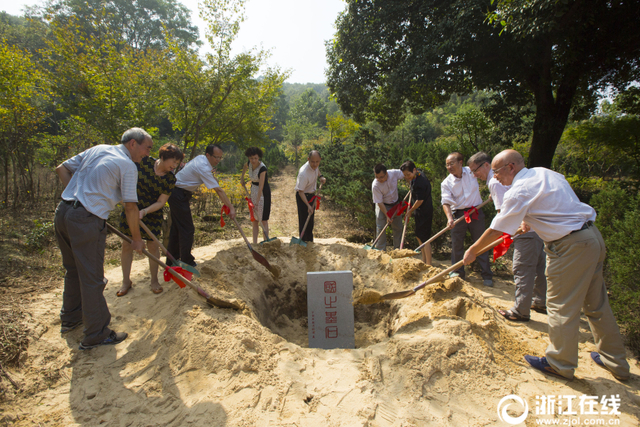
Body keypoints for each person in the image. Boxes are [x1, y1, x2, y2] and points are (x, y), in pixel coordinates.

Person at [463, 149, 630, 382]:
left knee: (561, 306)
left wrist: (472, 250)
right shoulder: (545, 173)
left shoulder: (519, 190)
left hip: (569, 246)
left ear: (511, 167)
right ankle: (616, 362)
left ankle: (560, 363)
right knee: (597, 303)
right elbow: (555, 204)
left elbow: (498, 229)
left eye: (498, 172)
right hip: (591, 237)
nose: (495, 177)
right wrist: (532, 219)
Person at [54, 127, 152, 350]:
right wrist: (136, 239)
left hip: (63, 212)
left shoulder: (99, 149)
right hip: (85, 220)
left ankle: (70, 319)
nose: (147, 154)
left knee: (73, 270)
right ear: (133, 144)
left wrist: (80, 198)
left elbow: (62, 169)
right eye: (147, 148)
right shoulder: (127, 165)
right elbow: (130, 207)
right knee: (92, 278)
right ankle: (96, 333)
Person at [468, 152, 547, 321]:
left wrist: (474, 249)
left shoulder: (494, 183)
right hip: (538, 228)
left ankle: (520, 311)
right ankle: (540, 300)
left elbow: (502, 216)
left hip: (523, 229)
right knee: (539, 266)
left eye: (476, 170)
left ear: (486, 165)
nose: (475, 175)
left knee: (522, 269)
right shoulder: (534, 175)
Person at [117, 143, 184, 296]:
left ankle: (154, 280)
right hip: (131, 208)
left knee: (153, 246)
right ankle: (126, 281)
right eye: (173, 161)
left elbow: (161, 202)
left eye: (177, 163)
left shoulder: (170, 179)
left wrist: (145, 211)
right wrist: (131, 207)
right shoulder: (144, 162)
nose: (174, 165)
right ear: (163, 157)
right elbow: (124, 179)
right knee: (127, 244)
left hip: (152, 213)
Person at [167, 144, 236, 267]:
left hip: (177, 192)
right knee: (187, 229)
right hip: (178, 194)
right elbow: (219, 190)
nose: (218, 160)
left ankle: (172, 260)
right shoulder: (203, 166)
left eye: (220, 157)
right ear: (208, 155)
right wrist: (230, 207)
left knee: (177, 228)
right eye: (216, 157)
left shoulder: (201, 159)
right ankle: (186, 261)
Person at [441, 152, 493, 286]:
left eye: (451, 163)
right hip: (459, 214)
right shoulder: (446, 183)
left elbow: (488, 177)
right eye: (447, 165)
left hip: (476, 211)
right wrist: (449, 218)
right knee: (457, 245)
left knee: (481, 242)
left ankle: (486, 275)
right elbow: (445, 202)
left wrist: (494, 192)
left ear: (460, 162)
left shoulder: (472, 172)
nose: (449, 167)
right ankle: (458, 273)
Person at [400, 161, 433, 264]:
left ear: (414, 170)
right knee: (419, 235)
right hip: (419, 212)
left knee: (425, 238)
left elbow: (420, 200)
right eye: (404, 175)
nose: (407, 177)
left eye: (408, 174)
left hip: (425, 212)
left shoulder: (420, 182)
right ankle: (424, 260)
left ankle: (428, 263)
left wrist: (410, 210)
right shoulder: (416, 176)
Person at [241, 147, 272, 244]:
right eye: (251, 158)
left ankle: (266, 242)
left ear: (258, 157)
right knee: (254, 219)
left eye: (255, 158)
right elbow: (245, 166)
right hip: (253, 191)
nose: (253, 160)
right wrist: (242, 178)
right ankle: (254, 243)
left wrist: (257, 203)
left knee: (263, 219)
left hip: (263, 194)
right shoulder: (249, 163)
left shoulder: (263, 168)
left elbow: (261, 187)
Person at [294, 150, 326, 242]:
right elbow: (300, 192)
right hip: (303, 196)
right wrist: (308, 205)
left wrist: (321, 176)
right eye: (312, 162)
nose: (315, 164)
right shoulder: (303, 173)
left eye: (317, 162)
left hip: (312, 195)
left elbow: (317, 170)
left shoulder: (315, 165)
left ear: (320, 160)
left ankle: (310, 241)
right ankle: (303, 242)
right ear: (308, 159)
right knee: (304, 221)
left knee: (310, 221)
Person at [371, 164, 405, 250]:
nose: (379, 179)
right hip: (383, 205)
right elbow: (379, 202)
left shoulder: (393, 173)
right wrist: (387, 215)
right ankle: (380, 250)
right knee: (381, 227)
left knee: (398, 227)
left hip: (396, 204)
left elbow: (405, 174)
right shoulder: (375, 185)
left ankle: (398, 249)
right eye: (377, 177)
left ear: (386, 173)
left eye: (381, 177)